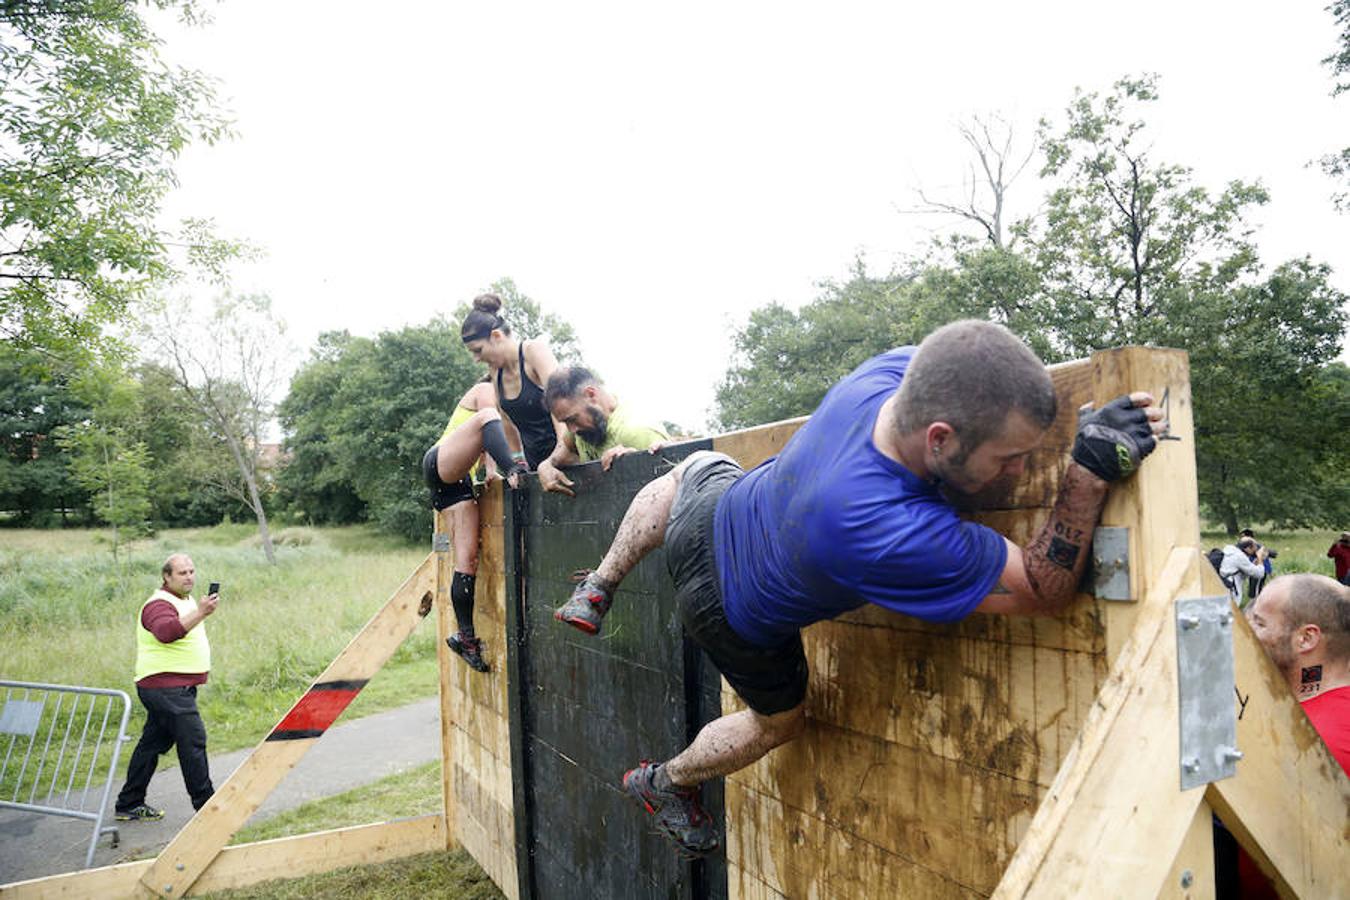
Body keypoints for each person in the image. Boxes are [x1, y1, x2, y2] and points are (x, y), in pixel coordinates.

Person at [552, 320, 1164, 856]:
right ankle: (666, 782)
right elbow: (1041, 589)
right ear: (940, 439)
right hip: (730, 614)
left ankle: (601, 583)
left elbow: (970, 363)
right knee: (778, 722)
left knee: (691, 467)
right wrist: (1084, 472)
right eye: (1009, 458)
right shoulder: (882, 529)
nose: (1021, 472)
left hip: (709, 514)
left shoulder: (890, 374)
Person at [423, 378, 521, 672]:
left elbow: (487, 443)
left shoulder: (487, 425)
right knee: (489, 418)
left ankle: (465, 638)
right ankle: (515, 468)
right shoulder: (484, 390)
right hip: (439, 462)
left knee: (467, 562)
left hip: (455, 484)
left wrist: (490, 472)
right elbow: (487, 422)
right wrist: (512, 468)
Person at [114, 554, 219, 821]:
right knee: (193, 742)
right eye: (182, 573)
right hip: (166, 689)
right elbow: (166, 632)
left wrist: (198, 610)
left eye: (192, 571)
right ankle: (208, 809)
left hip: (171, 687)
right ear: (167, 577)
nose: (189, 577)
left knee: (152, 744)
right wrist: (201, 613)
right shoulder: (158, 604)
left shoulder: (186, 600)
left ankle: (129, 802)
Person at [1245, 574, 1350, 773]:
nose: (1247, 631)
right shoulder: (1301, 706)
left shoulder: (1318, 740)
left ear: (1305, 639)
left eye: (1259, 623)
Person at [459, 293, 563, 477]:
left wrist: (561, 452)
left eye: (478, 350)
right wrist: (517, 462)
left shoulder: (533, 352)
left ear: (496, 336)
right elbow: (506, 420)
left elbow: (562, 401)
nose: (476, 359)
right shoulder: (495, 373)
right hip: (537, 467)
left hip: (571, 457)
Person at [536, 366, 671, 497]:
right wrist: (546, 465)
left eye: (572, 419)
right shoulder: (583, 428)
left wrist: (633, 462)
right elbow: (566, 449)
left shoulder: (636, 431)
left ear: (591, 395)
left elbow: (675, 488)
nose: (571, 429)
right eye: (565, 422)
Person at [1219, 538, 1267, 609]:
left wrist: (1253, 564)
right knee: (1231, 612)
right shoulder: (1239, 557)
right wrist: (1260, 558)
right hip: (1230, 590)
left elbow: (1243, 569)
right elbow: (1259, 574)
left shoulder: (1230, 552)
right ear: (1247, 548)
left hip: (1223, 585)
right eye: (1254, 548)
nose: (1256, 551)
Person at [1238, 528, 1273, 598]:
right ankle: (1253, 600)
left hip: (1260, 570)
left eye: (1243, 536)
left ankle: (1256, 602)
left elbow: (1265, 559)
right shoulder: (1247, 545)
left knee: (1257, 589)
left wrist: (1269, 571)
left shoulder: (1254, 546)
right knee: (1253, 588)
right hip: (1254, 569)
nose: (1241, 538)